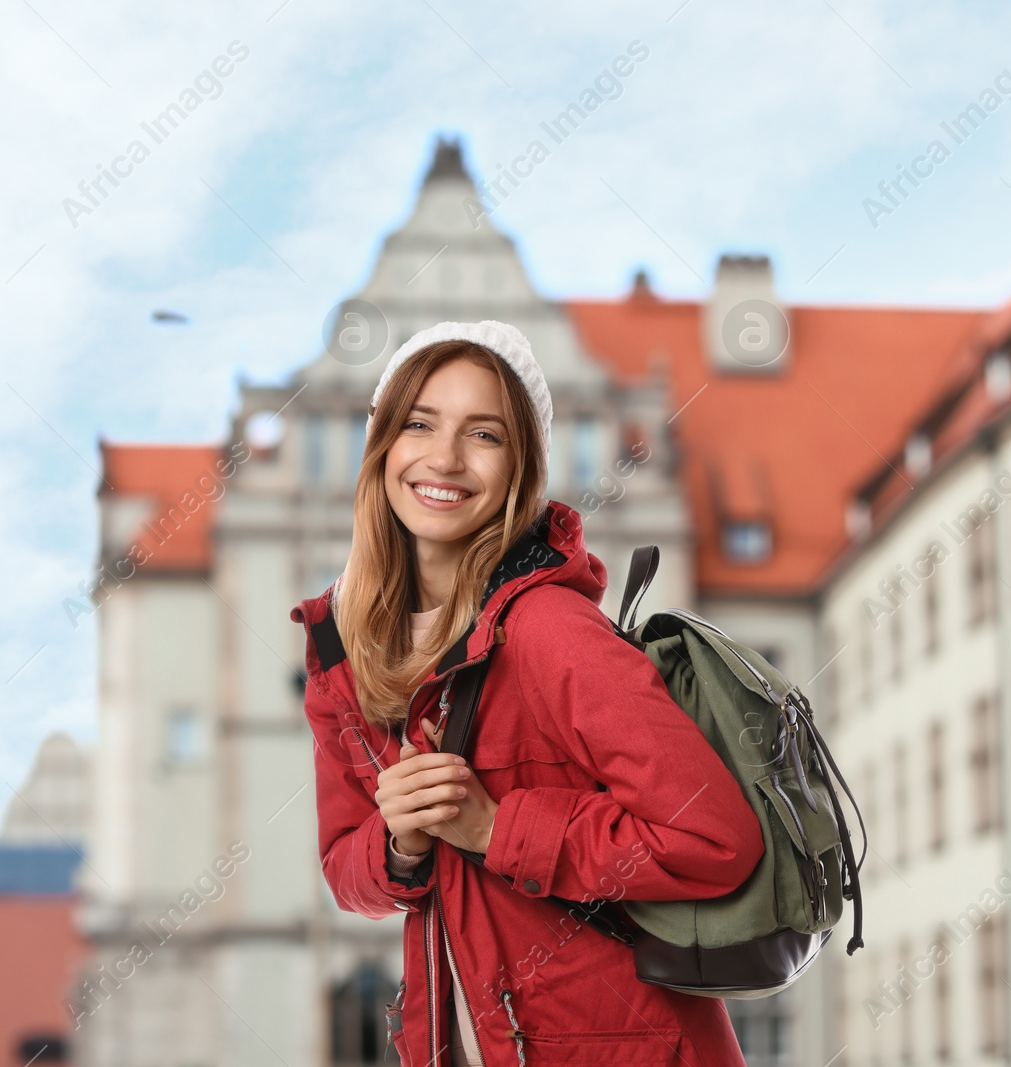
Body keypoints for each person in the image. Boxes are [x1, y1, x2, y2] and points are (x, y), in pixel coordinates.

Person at [292, 320, 763, 1067]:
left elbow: (715, 839)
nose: (443, 457)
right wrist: (400, 843)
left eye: (484, 434)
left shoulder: (549, 628)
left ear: (521, 469)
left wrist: (496, 828)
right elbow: (348, 873)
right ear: (383, 446)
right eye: (419, 423)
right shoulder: (341, 649)